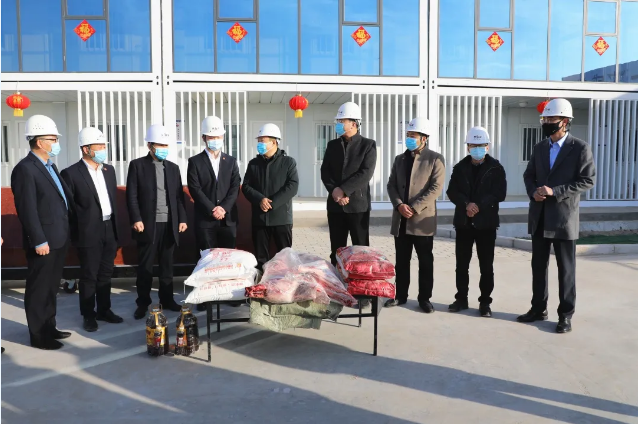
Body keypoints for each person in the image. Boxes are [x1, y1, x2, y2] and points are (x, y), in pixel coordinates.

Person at [518, 98, 596, 333]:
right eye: (545, 119)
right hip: (540, 216)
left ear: (564, 121)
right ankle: (538, 308)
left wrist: (555, 191)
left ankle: (565, 316)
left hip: (564, 218)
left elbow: (587, 180)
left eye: (551, 118)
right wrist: (534, 192)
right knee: (538, 267)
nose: (547, 123)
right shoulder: (540, 147)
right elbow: (529, 175)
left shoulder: (580, 148)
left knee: (566, 270)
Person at [11, 115, 72, 350]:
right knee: (38, 289)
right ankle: (38, 335)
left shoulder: (50, 166)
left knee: (51, 287)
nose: (56, 143)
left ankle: (49, 327)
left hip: (58, 237)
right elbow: (27, 209)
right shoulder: (25, 169)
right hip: (43, 241)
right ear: (39, 141)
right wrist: (38, 239)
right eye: (53, 139)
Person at [61, 127, 124, 332]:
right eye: (99, 146)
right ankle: (88, 315)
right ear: (86, 149)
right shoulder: (71, 173)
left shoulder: (109, 171)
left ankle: (104, 310)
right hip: (88, 232)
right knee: (89, 276)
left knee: (106, 273)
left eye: (104, 146)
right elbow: (68, 208)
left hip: (109, 227)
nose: (103, 150)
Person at [127, 124, 188, 320]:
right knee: (145, 267)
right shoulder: (137, 166)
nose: (163, 148)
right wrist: (136, 218)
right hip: (147, 224)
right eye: (159, 145)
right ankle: (142, 303)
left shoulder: (173, 168)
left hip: (169, 224)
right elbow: (131, 196)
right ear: (150, 145)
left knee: (167, 266)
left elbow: (179, 197)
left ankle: (167, 299)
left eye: (165, 145)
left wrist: (182, 219)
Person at [384, 117, 445, 313]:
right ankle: (400, 295)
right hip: (401, 219)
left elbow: (435, 188)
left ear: (424, 138)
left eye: (413, 135)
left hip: (421, 221)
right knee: (402, 261)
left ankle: (424, 299)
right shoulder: (399, 159)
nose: (409, 138)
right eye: (408, 135)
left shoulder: (435, 159)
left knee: (425, 261)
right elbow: (391, 185)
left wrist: (414, 207)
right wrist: (399, 204)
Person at [446, 126, 507, 317]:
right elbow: (452, 191)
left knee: (486, 266)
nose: (477, 149)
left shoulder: (496, 168)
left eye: (481, 146)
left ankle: (485, 302)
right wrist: (467, 204)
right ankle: (461, 299)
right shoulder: (459, 167)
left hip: (486, 224)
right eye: (473, 145)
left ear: (487, 147)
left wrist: (478, 205)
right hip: (464, 223)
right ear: (468, 147)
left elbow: (500, 193)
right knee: (461, 265)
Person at [187, 116, 241, 310]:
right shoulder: (195, 162)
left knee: (228, 258)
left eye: (218, 136)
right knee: (206, 259)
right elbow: (195, 189)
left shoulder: (231, 161)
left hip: (228, 219)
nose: (215, 140)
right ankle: (205, 297)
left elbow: (235, 187)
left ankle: (228, 293)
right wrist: (212, 208)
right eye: (211, 137)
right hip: (205, 219)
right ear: (204, 138)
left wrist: (223, 208)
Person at [321, 102, 377, 267]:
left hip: (358, 205)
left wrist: (344, 190)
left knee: (361, 250)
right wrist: (335, 191)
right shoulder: (332, 145)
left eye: (342, 121)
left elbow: (366, 172)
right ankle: (337, 278)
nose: (338, 124)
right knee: (337, 249)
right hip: (335, 205)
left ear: (354, 123)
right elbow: (325, 171)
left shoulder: (368, 145)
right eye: (338, 121)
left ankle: (360, 281)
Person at [242, 123, 299, 270]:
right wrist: (260, 199)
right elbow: (246, 186)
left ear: (274, 142)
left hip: (281, 218)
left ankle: (285, 281)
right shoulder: (253, 164)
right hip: (260, 218)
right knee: (261, 258)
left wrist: (272, 203)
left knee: (285, 257)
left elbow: (292, 186)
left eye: (262, 141)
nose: (259, 144)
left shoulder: (288, 162)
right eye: (259, 141)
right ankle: (263, 281)